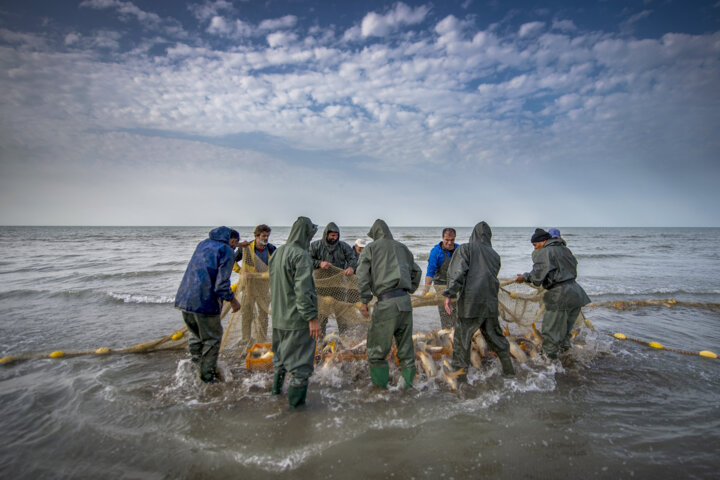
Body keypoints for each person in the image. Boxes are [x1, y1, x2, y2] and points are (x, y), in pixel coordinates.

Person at [441, 222, 514, 378]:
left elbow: (457, 274)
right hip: (490, 305)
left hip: (470, 305)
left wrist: (449, 294)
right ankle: (509, 372)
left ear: (473, 234)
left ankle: (460, 380)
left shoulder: (465, 249)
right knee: (496, 338)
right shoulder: (495, 255)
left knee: (462, 341)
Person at [356, 219, 422, 388]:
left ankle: (381, 394)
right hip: (405, 303)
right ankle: (409, 390)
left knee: (377, 353)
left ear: (374, 234)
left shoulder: (370, 248)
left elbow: (362, 276)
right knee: (406, 352)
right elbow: (417, 271)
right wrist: (411, 289)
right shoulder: (402, 248)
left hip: (386, 304)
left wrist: (364, 300)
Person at [175, 227, 241, 383]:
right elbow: (221, 285)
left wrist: (241, 245)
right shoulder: (226, 250)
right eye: (235, 244)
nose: (235, 247)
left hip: (185, 299)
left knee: (196, 335)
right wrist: (233, 300)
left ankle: (195, 368)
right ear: (231, 240)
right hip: (205, 302)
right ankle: (207, 378)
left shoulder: (203, 244)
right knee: (213, 339)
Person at [269, 216, 322, 408]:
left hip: (278, 319)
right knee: (300, 368)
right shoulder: (301, 255)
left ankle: (275, 396)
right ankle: (296, 412)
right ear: (306, 234)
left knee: (280, 361)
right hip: (296, 321)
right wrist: (312, 318)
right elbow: (303, 290)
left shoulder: (277, 253)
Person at [515, 228, 591, 360]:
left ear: (543, 241)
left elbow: (537, 277)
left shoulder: (545, 252)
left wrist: (524, 277)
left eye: (535, 245)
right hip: (575, 293)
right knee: (565, 333)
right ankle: (568, 360)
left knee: (550, 333)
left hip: (559, 295)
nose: (535, 248)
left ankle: (548, 366)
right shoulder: (565, 250)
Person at [309, 222, 359, 336]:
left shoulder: (343, 246)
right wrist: (319, 263)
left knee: (342, 316)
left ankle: (344, 339)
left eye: (336, 235)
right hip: (321, 288)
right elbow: (307, 260)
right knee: (321, 316)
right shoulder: (315, 245)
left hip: (339, 286)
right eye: (332, 235)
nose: (334, 238)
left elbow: (353, 258)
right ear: (326, 234)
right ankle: (320, 341)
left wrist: (351, 267)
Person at [235, 224, 276, 345]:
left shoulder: (271, 249)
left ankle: (261, 340)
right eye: (263, 236)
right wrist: (241, 272)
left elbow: (277, 266)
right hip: (248, 286)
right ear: (256, 236)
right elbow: (231, 261)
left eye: (268, 236)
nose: (266, 238)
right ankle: (245, 339)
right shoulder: (246, 248)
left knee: (263, 315)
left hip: (263, 287)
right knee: (247, 313)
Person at [422, 228, 459, 328]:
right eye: (447, 240)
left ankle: (457, 337)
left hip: (456, 285)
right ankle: (447, 335)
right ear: (442, 238)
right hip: (441, 287)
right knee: (445, 314)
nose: (449, 242)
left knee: (458, 315)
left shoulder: (459, 250)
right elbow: (430, 273)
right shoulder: (436, 252)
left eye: (452, 240)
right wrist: (425, 291)